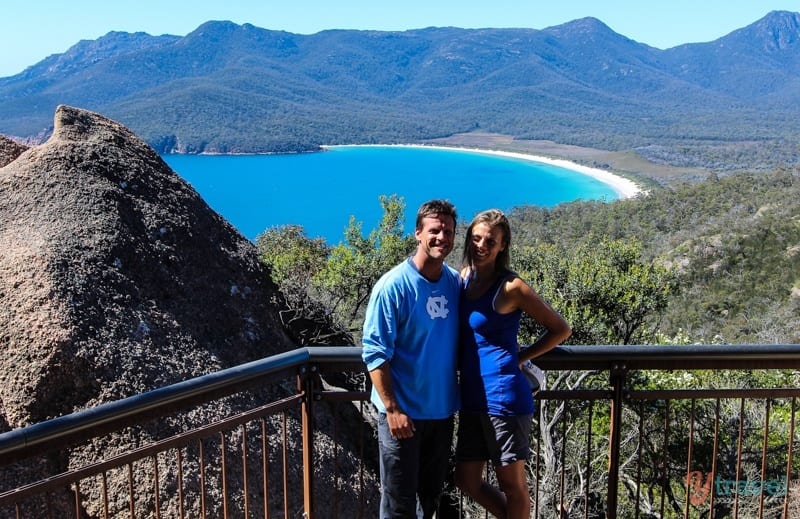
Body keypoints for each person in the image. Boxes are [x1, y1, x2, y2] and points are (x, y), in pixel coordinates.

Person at [454, 209, 572, 519]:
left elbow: (560, 329)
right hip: (471, 398)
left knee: (512, 485)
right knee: (466, 479)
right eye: (476, 238)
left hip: (503, 397)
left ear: (503, 246)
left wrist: (521, 356)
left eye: (490, 241)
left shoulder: (511, 287)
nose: (481, 245)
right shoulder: (465, 277)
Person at [362, 199, 462, 518]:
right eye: (434, 231)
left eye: (447, 231)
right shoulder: (393, 287)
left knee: (430, 499)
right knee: (398, 504)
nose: (441, 238)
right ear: (418, 233)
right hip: (402, 419)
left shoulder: (454, 283)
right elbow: (375, 352)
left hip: (442, 413)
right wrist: (392, 409)